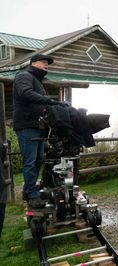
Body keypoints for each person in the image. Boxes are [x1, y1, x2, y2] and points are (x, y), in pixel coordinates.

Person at [13, 54, 67, 208]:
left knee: (37, 159)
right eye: (43, 62)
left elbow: (40, 103)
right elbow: (25, 93)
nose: (47, 65)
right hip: (26, 125)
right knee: (30, 161)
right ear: (33, 63)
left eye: (48, 63)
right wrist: (49, 101)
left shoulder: (37, 80)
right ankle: (31, 194)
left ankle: (28, 190)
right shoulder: (24, 75)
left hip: (37, 126)